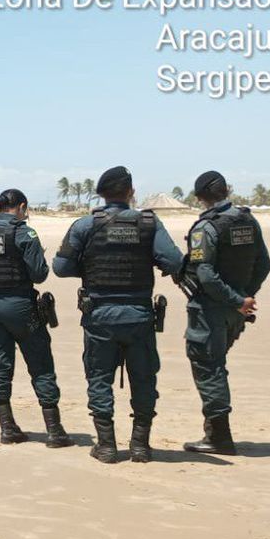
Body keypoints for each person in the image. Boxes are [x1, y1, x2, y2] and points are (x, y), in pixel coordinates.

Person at [52, 166, 183, 464]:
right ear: (131, 192)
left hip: (100, 317)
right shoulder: (149, 223)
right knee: (144, 380)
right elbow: (174, 261)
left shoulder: (85, 225)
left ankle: (107, 446)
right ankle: (140, 447)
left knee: (99, 379)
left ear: (101, 193)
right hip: (138, 316)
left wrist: (86, 267)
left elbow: (60, 268)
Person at [178, 171, 270, 455]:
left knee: (209, 368)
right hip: (236, 310)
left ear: (200, 198)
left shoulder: (205, 228)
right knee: (215, 365)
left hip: (212, 310)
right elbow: (264, 264)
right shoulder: (247, 220)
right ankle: (216, 432)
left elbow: (204, 273)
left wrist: (236, 299)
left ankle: (218, 437)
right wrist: (244, 297)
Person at [0, 189, 70, 447]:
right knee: (40, 364)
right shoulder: (23, 232)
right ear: (22, 207)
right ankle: (55, 431)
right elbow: (39, 274)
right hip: (20, 306)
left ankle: (7, 428)